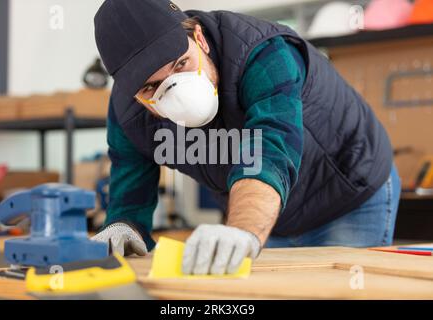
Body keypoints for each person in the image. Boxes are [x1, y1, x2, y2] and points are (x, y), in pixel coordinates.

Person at [91, 0, 401, 275]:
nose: (174, 90)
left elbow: (270, 148)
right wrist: (123, 224)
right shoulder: (127, 109)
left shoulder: (262, 52)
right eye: (150, 87)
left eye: (181, 64)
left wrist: (242, 229)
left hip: (346, 191)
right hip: (271, 211)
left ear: (199, 38)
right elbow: (130, 179)